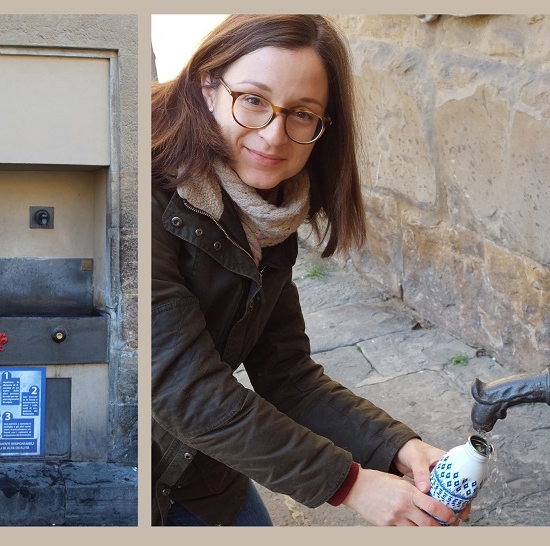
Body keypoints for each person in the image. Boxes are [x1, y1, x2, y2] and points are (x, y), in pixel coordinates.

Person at [151, 14, 467, 527]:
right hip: (117, 477)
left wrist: (396, 446)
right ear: (208, 86)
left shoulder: (266, 213)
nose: (274, 136)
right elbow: (185, 392)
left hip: (201, 473)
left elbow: (287, 375)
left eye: (301, 113)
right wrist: (351, 484)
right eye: (252, 99)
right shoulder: (143, 198)